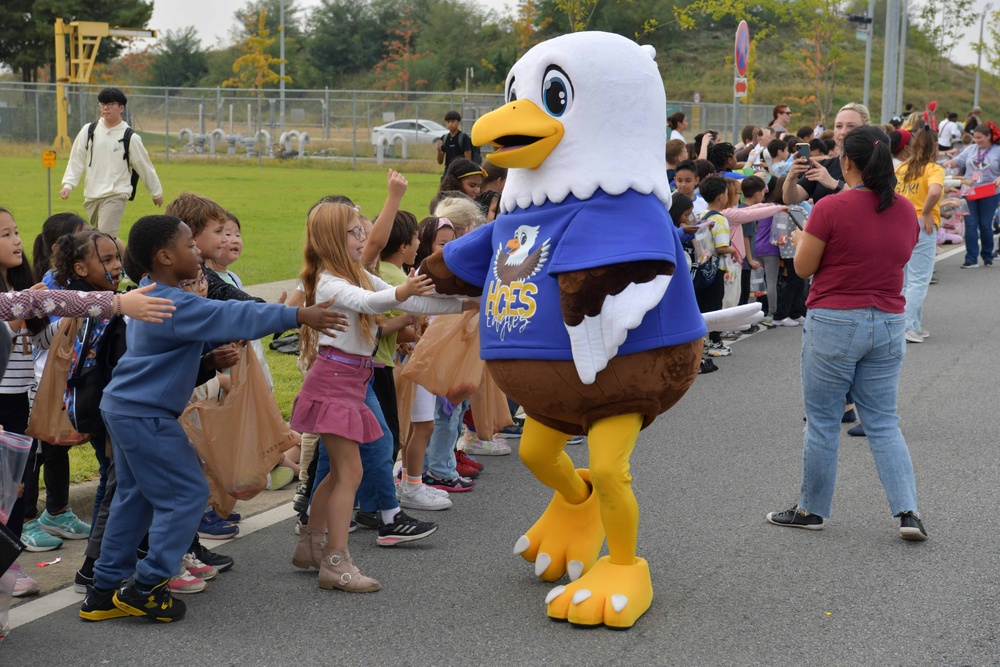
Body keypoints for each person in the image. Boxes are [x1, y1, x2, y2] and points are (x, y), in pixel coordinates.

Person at [80, 214, 348, 623]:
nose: (198, 252)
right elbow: (231, 316)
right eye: (190, 246)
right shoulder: (173, 301)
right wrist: (297, 316)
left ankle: (102, 591)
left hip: (127, 408)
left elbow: (160, 356)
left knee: (134, 498)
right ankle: (147, 586)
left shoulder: (154, 296)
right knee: (186, 494)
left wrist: (204, 360)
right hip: (145, 414)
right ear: (166, 256)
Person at [290, 203, 469, 592]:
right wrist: (403, 290)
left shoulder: (357, 275)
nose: (364, 239)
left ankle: (312, 543)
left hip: (351, 380)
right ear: (332, 241)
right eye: (356, 232)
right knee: (349, 473)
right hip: (336, 381)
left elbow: (409, 302)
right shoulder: (328, 282)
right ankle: (336, 562)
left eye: (362, 231)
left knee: (341, 472)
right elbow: (374, 303)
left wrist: (469, 304)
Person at [766, 125, 927, 541]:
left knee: (821, 421)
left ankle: (812, 509)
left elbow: (804, 268)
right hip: (889, 321)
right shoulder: (905, 209)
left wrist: (802, 237)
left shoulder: (831, 208)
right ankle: (908, 512)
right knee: (884, 422)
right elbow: (900, 255)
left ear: (848, 162)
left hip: (835, 320)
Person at [59, 87, 163, 239]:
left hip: (116, 193)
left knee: (103, 238)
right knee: (104, 237)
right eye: (102, 104)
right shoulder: (89, 130)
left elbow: (144, 166)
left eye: (110, 104)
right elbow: (76, 159)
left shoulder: (130, 137)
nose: (105, 107)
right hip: (92, 195)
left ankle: (118, 262)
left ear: (121, 108)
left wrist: (156, 193)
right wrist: (68, 185)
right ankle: (126, 258)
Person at [895, 128, 943, 344]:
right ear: (935, 146)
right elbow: (934, 191)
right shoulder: (933, 168)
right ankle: (906, 326)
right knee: (920, 279)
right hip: (922, 224)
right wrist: (925, 212)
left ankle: (913, 324)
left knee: (905, 278)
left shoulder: (903, 168)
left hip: (900, 222)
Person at [783, 102, 870, 206]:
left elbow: (868, 203)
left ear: (866, 129)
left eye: (851, 126)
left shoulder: (876, 166)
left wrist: (834, 184)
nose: (843, 132)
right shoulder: (824, 166)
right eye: (838, 126)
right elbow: (790, 199)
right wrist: (791, 177)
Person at [943, 122, 1000, 268]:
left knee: (986, 225)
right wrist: (949, 163)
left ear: (989, 137)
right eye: (975, 137)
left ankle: (987, 256)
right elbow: (958, 161)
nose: (977, 141)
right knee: (970, 224)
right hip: (969, 191)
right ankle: (971, 258)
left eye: (980, 138)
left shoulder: (997, 150)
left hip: (990, 192)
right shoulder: (970, 149)